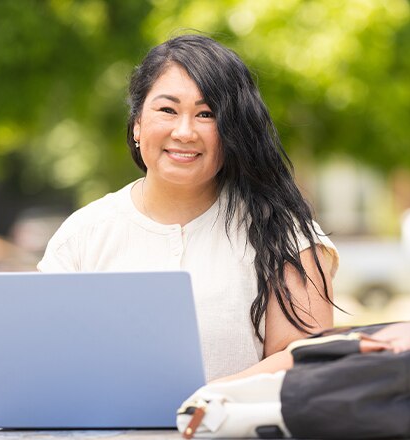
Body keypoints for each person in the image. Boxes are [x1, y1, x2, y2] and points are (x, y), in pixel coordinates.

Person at [38, 34, 339, 383]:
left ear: (232, 132)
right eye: (167, 110)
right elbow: (47, 360)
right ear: (137, 123)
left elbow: (305, 358)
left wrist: (204, 397)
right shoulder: (82, 235)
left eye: (206, 114)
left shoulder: (286, 235)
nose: (184, 131)